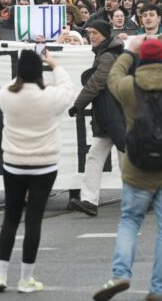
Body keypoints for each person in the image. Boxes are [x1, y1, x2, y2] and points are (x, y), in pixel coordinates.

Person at [93, 33, 162, 301]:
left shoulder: (130, 86)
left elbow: (112, 78)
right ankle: (158, 288)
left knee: (130, 221)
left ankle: (120, 273)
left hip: (137, 167)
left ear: (141, 59)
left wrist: (129, 51)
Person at [0, 48, 75, 293]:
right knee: (33, 220)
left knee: (10, 218)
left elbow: (10, 85)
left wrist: (22, 68)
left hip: (14, 163)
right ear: (40, 72)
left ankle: (0, 274)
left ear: (18, 72)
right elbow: (68, 88)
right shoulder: (51, 96)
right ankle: (26, 278)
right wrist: (54, 64)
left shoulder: (5, 95)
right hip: (44, 164)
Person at [69, 19, 127, 216]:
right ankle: (89, 200)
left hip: (117, 116)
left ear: (104, 34)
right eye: (89, 32)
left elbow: (96, 83)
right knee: (96, 156)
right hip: (110, 116)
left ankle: (141, 198)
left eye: (95, 32)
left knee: (125, 158)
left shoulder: (107, 56)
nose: (90, 36)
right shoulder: (106, 53)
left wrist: (78, 105)